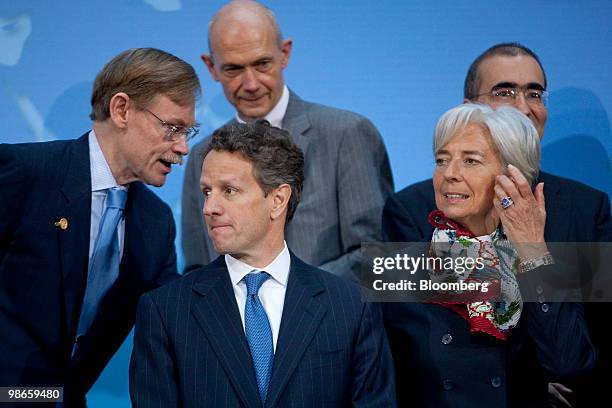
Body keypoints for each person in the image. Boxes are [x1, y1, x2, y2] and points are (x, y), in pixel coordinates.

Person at [382, 42, 612, 407]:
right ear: (468, 106)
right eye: (504, 92)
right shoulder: (411, 209)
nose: (523, 106)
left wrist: (533, 251)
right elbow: (410, 345)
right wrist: (532, 378)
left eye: (534, 93)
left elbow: (584, 355)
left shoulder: (587, 209)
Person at [130, 120, 396, 407]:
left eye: (229, 190)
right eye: (207, 192)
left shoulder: (350, 307)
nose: (209, 208)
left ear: (278, 199)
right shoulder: (166, 311)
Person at [0, 48, 200, 407]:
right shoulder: (26, 172)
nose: (183, 147)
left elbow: (178, 319)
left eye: (189, 132)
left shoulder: (156, 222)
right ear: (121, 109)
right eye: (172, 128)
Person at [181, 0, 393, 280]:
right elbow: (198, 271)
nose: (252, 83)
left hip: (330, 319)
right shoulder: (201, 156)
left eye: (262, 64)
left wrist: (293, 297)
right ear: (211, 68)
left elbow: (377, 256)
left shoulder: (346, 134)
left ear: (285, 53)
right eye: (233, 69)